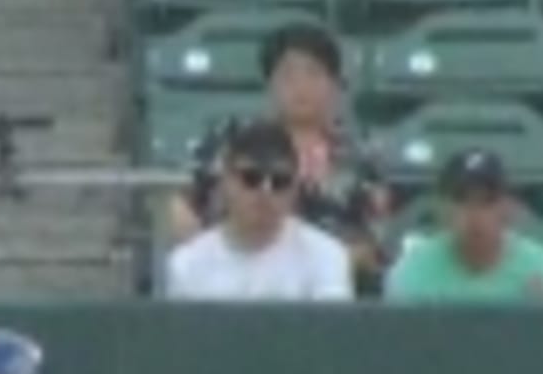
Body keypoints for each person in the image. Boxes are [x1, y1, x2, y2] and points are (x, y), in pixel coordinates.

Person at [163, 23, 392, 288]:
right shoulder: (233, 137)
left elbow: (373, 242)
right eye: (288, 76)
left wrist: (316, 267)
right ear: (269, 83)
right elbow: (177, 201)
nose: (301, 87)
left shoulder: (361, 157)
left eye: (313, 75)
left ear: (334, 86)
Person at [162, 119, 355, 303]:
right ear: (226, 182)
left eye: (279, 182)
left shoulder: (326, 256)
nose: (265, 192)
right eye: (251, 179)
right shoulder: (185, 265)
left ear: (295, 189)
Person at [382, 149, 543, 304]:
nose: (475, 215)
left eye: (487, 202)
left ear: (508, 209)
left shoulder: (540, 269)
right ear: (442, 209)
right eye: (462, 201)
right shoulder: (411, 272)